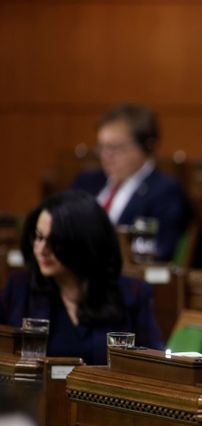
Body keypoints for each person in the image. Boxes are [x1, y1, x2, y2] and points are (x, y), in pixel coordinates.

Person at [0, 190, 163, 364]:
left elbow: (153, 365)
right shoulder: (19, 288)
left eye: (54, 241)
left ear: (83, 243)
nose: (41, 250)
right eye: (38, 237)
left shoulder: (132, 294)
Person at [71, 102, 191, 262]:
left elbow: (161, 251)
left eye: (116, 148)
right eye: (102, 147)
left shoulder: (165, 191)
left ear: (147, 146)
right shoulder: (87, 181)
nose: (106, 156)